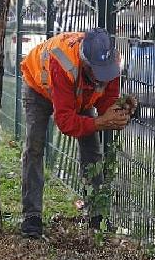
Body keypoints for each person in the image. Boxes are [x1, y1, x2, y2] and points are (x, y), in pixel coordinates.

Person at [19, 27, 137, 238]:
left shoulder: (111, 63)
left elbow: (106, 104)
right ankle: (31, 216)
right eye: (97, 72)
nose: (102, 78)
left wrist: (120, 111)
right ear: (84, 62)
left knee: (92, 151)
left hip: (78, 93)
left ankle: (97, 216)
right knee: (34, 147)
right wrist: (101, 122)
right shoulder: (63, 64)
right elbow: (65, 123)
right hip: (39, 89)